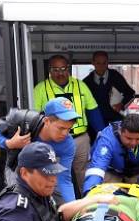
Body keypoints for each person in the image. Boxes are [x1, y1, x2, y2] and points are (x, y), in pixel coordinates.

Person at [33, 55, 105, 190]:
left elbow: (93, 111)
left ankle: (86, 204)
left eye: (63, 69)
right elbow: (35, 118)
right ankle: (62, 207)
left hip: (80, 139)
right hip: (54, 141)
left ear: (68, 69)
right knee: (57, 175)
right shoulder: (40, 89)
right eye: (56, 69)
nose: (60, 73)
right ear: (49, 70)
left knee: (84, 174)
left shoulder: (80, 85)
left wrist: (103, 133)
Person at [0, 97, 79, 202]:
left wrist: (72, 206)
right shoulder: (23, 119)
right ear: (46, 121)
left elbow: (64, 179)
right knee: (22, 202)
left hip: (48, 168)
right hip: (19, 168)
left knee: (55, 203)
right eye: (61, 128)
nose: (65, 134)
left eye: (69, 129)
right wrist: (9, 144)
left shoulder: (68, 144)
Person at [83, 51, 136, 126]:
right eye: (98, 63)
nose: (101, 66)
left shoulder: (116, 77)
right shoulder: (86, 82)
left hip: (115, 120)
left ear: (108, 62)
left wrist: (122, 104)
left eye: (104, 63)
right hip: (95, 122)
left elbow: (131, 93)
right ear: (93, 63)